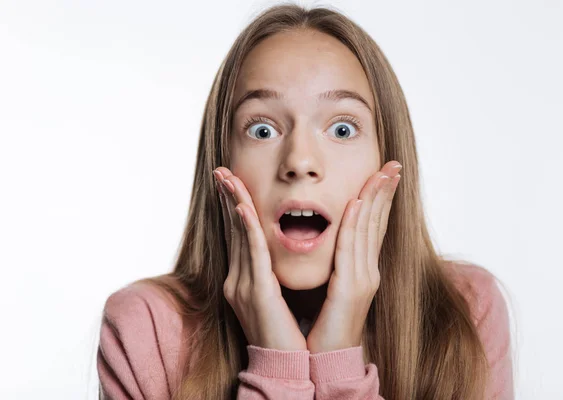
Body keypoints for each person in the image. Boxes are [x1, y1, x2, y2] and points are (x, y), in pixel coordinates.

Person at [96, 4, 514, 399]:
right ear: (221, 162)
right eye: (262, 130)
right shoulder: (145, 328)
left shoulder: (467, 312)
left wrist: (340, 367)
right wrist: (276, 367)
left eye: (343, 130)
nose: (299, 161)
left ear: (387, 160)